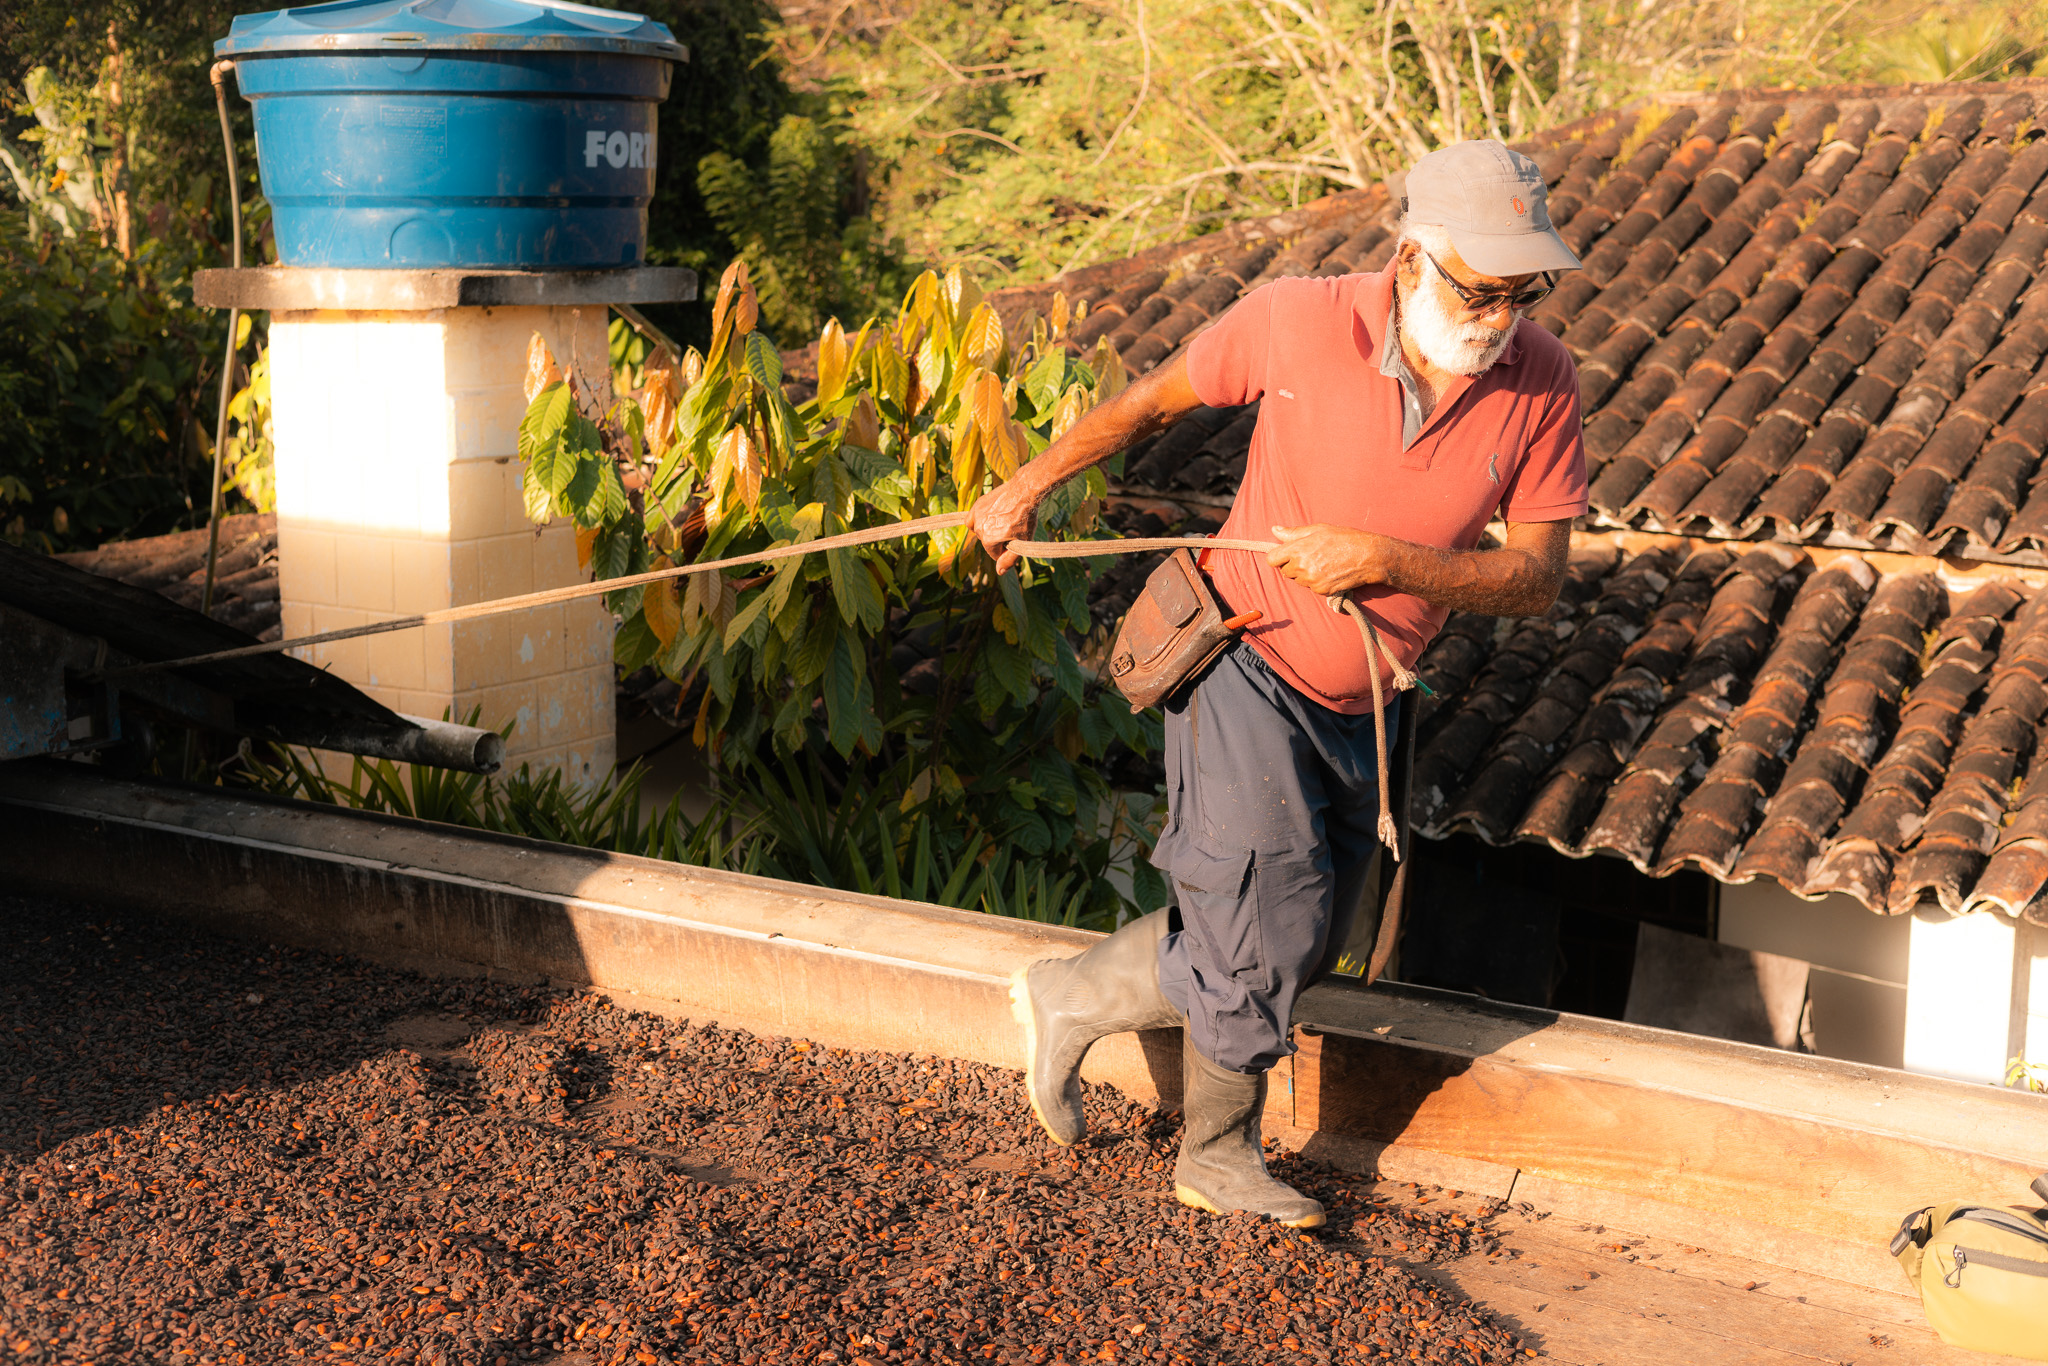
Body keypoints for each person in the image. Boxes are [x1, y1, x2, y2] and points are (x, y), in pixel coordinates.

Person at [972, 140, 1591, 1228]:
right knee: (1267, 906)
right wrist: (1025, 486)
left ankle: (1068, 994)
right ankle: (1214, 1154)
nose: (1500, 316)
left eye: (1520, 292)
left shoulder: (1540, 382)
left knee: (1307, 934)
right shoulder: (1298, 320)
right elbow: (1152, 403)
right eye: (1480, 291)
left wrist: (1386, 561)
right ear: (1411, 259)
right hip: (1242, 657)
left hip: (1369, 692)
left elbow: (1536, 580)